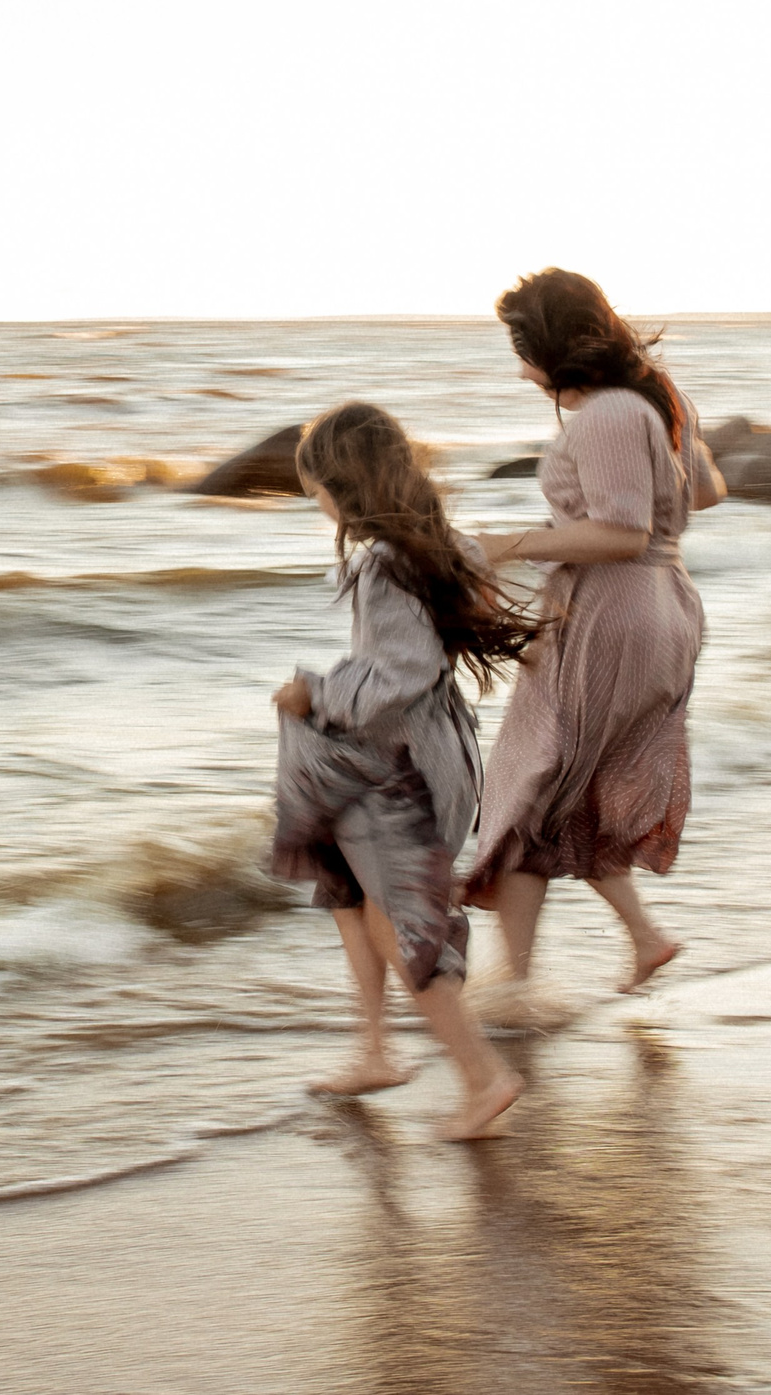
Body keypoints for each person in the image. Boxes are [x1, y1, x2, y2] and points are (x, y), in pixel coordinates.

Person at [270, 401, 534, 1141]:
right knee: (353, 896)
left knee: (399, 922)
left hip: (403, 772)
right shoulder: (439, 547)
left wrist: (314, 691)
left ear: (343, 487)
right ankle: (375, 1051)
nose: (315, 500)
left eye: (316, 486)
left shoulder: (381, 564)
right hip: (427, 754)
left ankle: (484, 1077)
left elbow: (402, 671)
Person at [464, 268, 725, 997]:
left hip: (610, 612)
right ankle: (637, 942)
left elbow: (619, 530)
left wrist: (508, 544)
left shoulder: (609, 413)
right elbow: (704, 491)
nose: (514, 348)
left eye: (519, 335)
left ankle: (511, 993)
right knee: (557, 790)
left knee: (525, 793)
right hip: (661, 603)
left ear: (549, 340)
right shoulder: (655, 400)